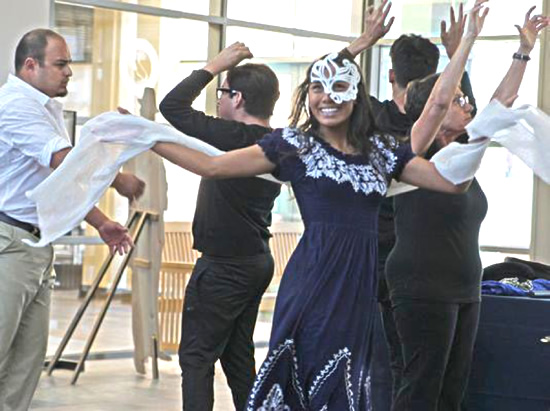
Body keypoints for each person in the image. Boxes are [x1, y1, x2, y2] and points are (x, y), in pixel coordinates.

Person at [148, 4, 489, 408]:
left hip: (357, 285)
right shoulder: (294, 146)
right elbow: (213, 166)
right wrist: (144, 138)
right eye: (316, 88)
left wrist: (482, 116)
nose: (327, 98)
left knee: (345, 383)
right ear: (307, 95)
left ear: (356, 96)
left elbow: (448, 177)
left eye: (338, 88)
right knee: (303, 378)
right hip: (312, 280)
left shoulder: (379, 152)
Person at [385, 6, 549, 411]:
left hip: (463, 286)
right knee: (421, 390)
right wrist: (464, 47)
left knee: (453, 392)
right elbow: (443, 103)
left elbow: (500, 103)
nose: (468, 104)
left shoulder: (463, 153)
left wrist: (523, 51)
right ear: (434, 112)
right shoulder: (414, 162)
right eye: (459, 99)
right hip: (421, 287)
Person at [0, 28, 143, 411]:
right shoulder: (15, 104)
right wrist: (118, 175)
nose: (69, 73)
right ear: (31, 65)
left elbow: (55, 182)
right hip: (8, 245)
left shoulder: (47, 109)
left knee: (26, 364)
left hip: (34, 246)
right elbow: (66, 162)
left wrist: (99, 222)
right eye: (61, 64)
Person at [345, 2, 477, 404]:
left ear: (390, 74)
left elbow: (332, 84)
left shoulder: (378, 120)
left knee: (398, 370)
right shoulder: (428, 135)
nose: (463, 105)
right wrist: (460, 53)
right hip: (405, 264)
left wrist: (362, 42)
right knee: (412, 374)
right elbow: (454, 105)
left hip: (384, 256)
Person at [158, 44, 281, 410]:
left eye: (222, 92)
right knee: (238, 357)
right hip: (255, 260)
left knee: (196, 357)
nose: (219, 100)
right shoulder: (272, 143)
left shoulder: (232, 137)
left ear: (237, 98)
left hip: (224, 268)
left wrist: (216, 64)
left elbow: (172, 107)